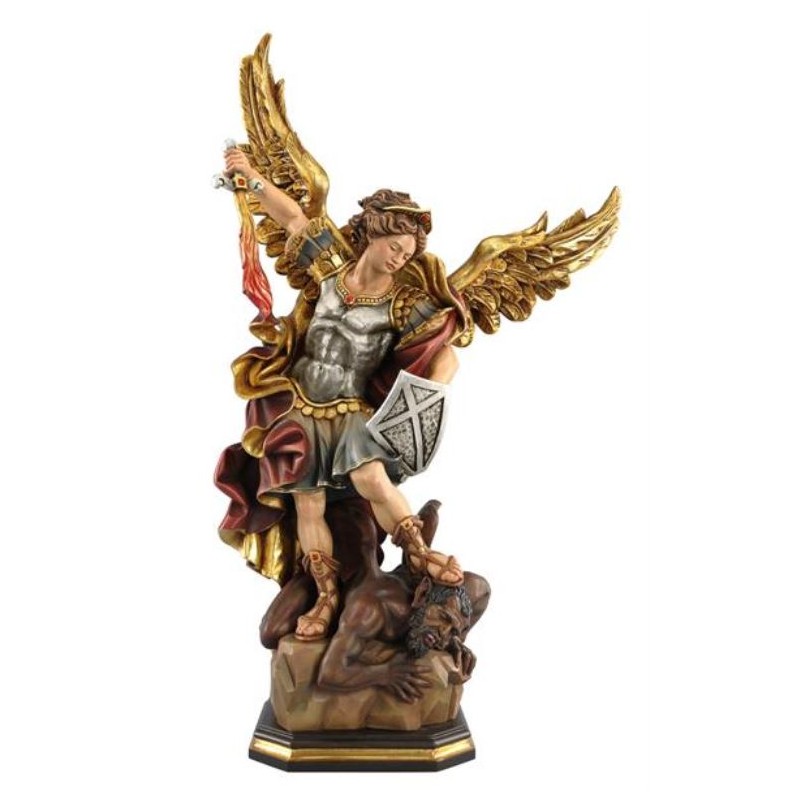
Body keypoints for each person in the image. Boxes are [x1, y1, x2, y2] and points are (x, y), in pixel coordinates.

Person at [218, 147, 465, 641]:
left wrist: (426, 397)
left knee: (372, 478)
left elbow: (446, 353)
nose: (400, 257)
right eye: (395, 245)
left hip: (351, 409)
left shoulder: (403, 305)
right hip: (300, 407)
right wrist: (252, 178)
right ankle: (326, 595)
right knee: (308, 504)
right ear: (373, 233)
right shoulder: (331, 269)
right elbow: (293, 218)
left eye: (408, 254)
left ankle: (419, 554)